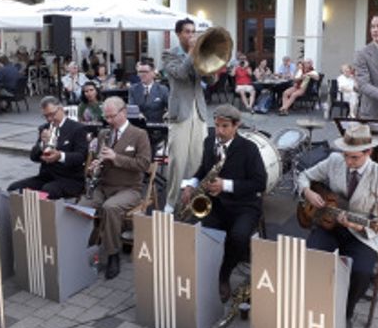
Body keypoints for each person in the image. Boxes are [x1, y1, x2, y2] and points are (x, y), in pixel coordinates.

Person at [296, 125, 378, 328]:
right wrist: (307, 192)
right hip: (329, 226)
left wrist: (356, 225)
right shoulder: (335, 160)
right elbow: (303, 176)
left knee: (361, 272)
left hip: (362, 234)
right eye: (346, 155)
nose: (348, 162)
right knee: (310, 257)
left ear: (369, 152)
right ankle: (315, 305)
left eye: (354, 158)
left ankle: (346, 313)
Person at [180, 105, 267, 302]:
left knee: (238, 237)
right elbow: (204, 169)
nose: (219, 131)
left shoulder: (249, 149)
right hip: (216, 204)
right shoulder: (209, 141)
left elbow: (259, 183)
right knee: (205, 234)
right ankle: (206, 270)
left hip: (244, 205)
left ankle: (224, 274)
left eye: (225, 126)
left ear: (237, 126)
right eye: (217, 125)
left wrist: (225, 185)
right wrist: (190, 184)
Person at [77, 97, 152, 279]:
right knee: (81, 206)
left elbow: (143, 164)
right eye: (106, 117)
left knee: (110, 208)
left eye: (112, 117)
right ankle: (80, 247)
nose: (109, 121)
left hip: (129, 188)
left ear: (123, 112)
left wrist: (116, 158)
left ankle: (113, 254)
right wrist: (94, 167)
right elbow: (100, 159)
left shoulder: (139, 134)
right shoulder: (104, 134)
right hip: (104, 186)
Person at [162, 19, 209, 212]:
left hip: (199, 110)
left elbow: (211, 78)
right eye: (187, 32)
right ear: (178, 34)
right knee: (178, 160)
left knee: (198, 158)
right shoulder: (169, 54)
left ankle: (195, 198)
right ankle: (171, 201)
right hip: (180, 112)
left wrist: (212, 65)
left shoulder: (199, 52)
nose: (191, 35)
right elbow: (180, 74)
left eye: (193, 31)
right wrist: (192, 52)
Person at [7, 96, 88, 199]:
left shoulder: (77, 128)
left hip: (70, 178)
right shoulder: (44, 128)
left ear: (61, 109)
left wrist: (60, 156)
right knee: (14, 188)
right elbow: (33, 157)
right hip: (46, 177)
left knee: (47, 191)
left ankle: (40, 208)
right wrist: (42, 144)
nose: (50, 119)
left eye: (52, 114)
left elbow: (81, 157)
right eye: (46, 116)